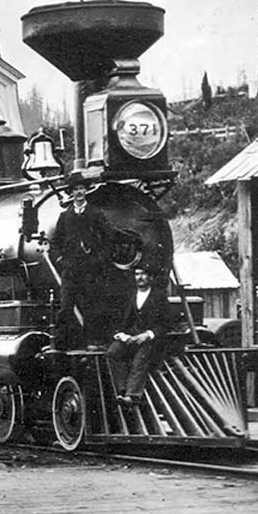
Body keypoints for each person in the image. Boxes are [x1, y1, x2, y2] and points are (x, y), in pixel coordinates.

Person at [49, 172, 111, 349]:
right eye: (76, 189)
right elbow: (55, 243)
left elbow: (108, 239)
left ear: (86, 191)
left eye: (82, 189)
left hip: (91, 269)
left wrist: (99, 259)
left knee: (92, 306)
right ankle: (61, 344)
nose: (79, 192)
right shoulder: (65, 216)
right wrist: (60, 260)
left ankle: (93, 342)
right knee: (66, 307)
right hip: (70, 270)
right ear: (71, 192)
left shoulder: (95, 213)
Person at [107, 266, 169, 407]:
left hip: (149, 339)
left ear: (150, 278)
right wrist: (123, 335)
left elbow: (166, 323)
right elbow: (119, 320)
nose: (139, 277)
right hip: (130, 337)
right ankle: (122, 389)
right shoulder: (130, 295)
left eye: (143, 274)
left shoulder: (159, 297)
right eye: (137, 274)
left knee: (140, 359)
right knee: (113, 353)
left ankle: (132, 396)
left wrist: (148, 334)